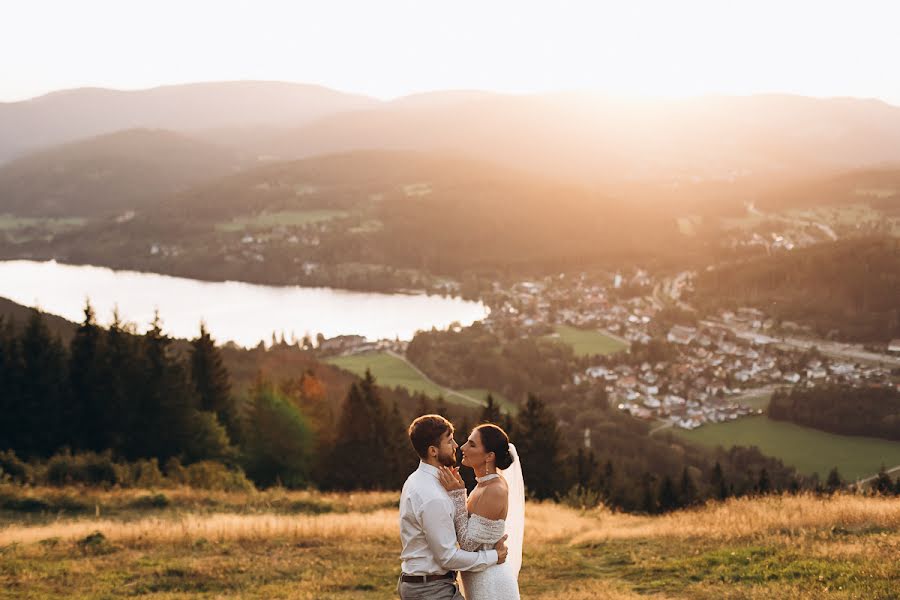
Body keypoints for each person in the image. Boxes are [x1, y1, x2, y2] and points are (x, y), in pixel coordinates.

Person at [398, 415, 509, 600]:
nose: (457, 446)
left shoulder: (418, 480)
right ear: (433, 451)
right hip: (431, 591)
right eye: (449, 441)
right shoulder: (432, 495)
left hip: (431, 586)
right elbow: (448, 557)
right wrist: (494, 556)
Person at [437, 423, 524, 599]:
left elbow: (468, 544)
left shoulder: (495, 489)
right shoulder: (483, 484)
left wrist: (457, 494)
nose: (462, 447)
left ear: (489, 456)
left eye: (472, 444)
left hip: (491, 583)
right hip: (479, 578)